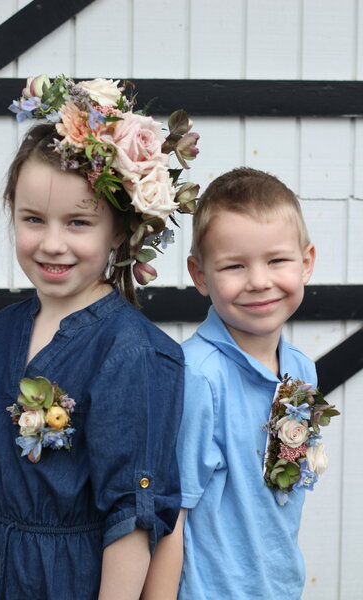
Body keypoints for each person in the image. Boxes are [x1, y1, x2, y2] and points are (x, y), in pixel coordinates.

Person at [0, 74, 200, 599]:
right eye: (33, 219)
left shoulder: (135, 354)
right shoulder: (2, 331)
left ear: (119, 230)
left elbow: (132, 518)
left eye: (77, 222)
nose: (51, 243)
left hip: (73, 578)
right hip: (2, 574)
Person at [176, 167, 320, 599]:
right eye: (235, 266)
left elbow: (281, 489)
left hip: (278, 586)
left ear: (306, 263)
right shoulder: (198, 376)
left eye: (277, 260)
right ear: (200, 275)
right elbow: (171, 513)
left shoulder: (300, 370)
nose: (259, 281)